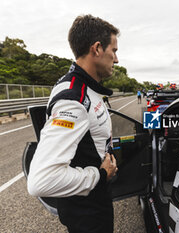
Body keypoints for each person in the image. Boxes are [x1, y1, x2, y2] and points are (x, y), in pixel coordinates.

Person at [27, 15, 119, 233]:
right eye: (114, 50)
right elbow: (41, 181)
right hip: (87, 214)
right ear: (97, 49)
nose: (116, 59)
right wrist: (101, 175)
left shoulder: (79, 85)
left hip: (90, 206)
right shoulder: (73, 99)